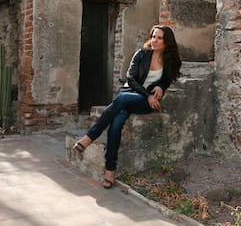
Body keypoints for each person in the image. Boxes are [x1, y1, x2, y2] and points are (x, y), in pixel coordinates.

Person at [73, 25, 182, 189]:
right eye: (153, 36)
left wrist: (160, 86)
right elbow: (131, 78)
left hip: (145, 104)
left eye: (159, 38)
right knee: (116, 123)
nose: (155, 40)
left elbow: (167, 79)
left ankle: (90, 136)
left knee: (121, 100)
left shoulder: (171, 61)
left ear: (167, 41)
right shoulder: (142, 54)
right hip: (133, 95)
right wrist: (148, 95)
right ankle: (110, 170)